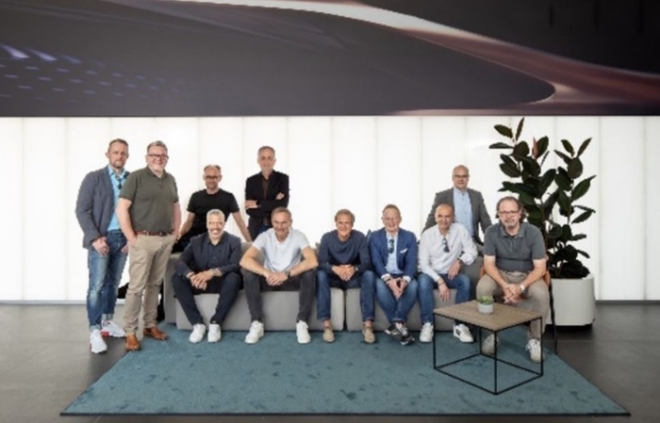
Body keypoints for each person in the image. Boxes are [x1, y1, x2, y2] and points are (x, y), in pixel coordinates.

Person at [116, 140, 181, 351]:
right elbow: (122, 208)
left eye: (162, 155)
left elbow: (175, 206)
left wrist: (175, 232)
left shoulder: (170, 180)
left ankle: (150, 325)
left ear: (167, 158)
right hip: (142, 240)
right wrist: (131, 237)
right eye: (154, 155)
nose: (158, 158)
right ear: (147, 157)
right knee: (136, 287)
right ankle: (130, 331)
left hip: (165, 239)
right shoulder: (136, 178)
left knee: (154, 285)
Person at [476, 196, 549, 363]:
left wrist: (520, 287)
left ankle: (534, 339)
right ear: (498, 214)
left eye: (512, 212)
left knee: (541, 294)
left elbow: (540, 268)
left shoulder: (533, 232)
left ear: (520, 213)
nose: (508, 216)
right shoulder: (491, 232)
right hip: (500, 274)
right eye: (503, 212)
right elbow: (489, 264)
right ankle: (491, 334)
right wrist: (505, 285)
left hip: (528, 276)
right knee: (482, 288)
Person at [75, 139, 130, 354]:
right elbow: (82, 210)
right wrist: (95, 238)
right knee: (96, 285)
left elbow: (137, 211)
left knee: (113, 284)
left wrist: (131, 239)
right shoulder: (94, 178)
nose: (119, 156)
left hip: (122, 239)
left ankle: (107, 322)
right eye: (115, 152)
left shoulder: (131, 179)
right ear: (108, 154)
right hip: (101, 238)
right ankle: (95, 330)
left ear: (127, 156)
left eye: (123, 153)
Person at [240, 207, 317, 344]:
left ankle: (302, 322)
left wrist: (286, 274)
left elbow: (312, 261)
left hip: (290, 279)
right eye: (276, 222)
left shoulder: (299, 236)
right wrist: (267, 273)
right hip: (269, 280)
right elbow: (244, 260)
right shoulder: (265, 236)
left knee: (309, 274)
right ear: (272, 222)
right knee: (249, 275)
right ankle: (257, 323)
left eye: (284, 222)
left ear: (290, 222)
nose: (280, 226)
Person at [172, 209, 242, 343]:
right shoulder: (196, 241)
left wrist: (212, 273)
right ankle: (197, 324)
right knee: (176, 278)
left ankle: (216, 322)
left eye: (219, 223)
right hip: (200, 283)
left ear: (224, 224)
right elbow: (180, 262)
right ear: (207, 224)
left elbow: (235, 265)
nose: (215, 227)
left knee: (234, 278)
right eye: (212, 223)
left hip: (223, 284)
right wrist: (192, 276)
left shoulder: (234, 241)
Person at [418, 204, 478, 343]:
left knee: (465, 281)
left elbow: (472, 251)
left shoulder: (460, 230)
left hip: (450, 274)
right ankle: (427, 324)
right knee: (423, 282)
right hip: (431, 274)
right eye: (440, 216)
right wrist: (439, 281)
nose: (443, 220)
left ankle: (459, 325)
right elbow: (424, 265)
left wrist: (459, 261)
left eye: (447, 216)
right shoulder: (427, 235)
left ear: (453, 217)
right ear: (435, 217)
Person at [317, 209, 376, 343]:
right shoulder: (327, 238)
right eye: (340, 223)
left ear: (352, 225)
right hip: (333, 278)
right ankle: (327, 326)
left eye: (347, 223)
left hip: (352, 278)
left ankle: (368, 326)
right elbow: (321, 264)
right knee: (320, 275)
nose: (343, 226)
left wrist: (353, 269)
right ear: (336, 223)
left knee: (369, 275)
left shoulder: (359, 237)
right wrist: (335, 268)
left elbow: (367, 263)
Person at [369, 204, 418, 346]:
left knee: (414, 284)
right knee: (379, 284)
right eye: (387, 218)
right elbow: (376, 261)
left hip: (402, 273)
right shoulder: (375, 237)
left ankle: (396, 324)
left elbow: (411, 262)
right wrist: (388, 280)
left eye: (394, 218)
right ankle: (399, 325)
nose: (391, 222)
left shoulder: (409, 236)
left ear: (400, 219)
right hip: (384, 274)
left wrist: (405, 280)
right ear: (382, 220)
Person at [174, 164, 251, 252]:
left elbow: (240, 223)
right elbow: (188, 222)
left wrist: (251, 243)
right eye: (208, 177)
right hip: (192, 238)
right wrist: (178, 236)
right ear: (204, 178)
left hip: (213, 237)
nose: (211, 180)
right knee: (169, 248)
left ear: (220, 178)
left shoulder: (228, 197)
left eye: (214, 177)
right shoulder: (196, 196)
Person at [423, 165, 492, 248]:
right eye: (457, 176)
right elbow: (432, 219)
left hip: (472, 241)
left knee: (485, 255)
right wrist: (422, 240)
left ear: (468, 178)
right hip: (449, 242)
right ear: (453, 178)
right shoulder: (442, 196)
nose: (461, 179)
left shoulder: (476, 196)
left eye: (464, 176)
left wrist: (494, 240)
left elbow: (485, 221)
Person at [244, 146, 289, 240]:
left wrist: (257, 204)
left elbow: (282, 205)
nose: (266, 161)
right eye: (263, 158)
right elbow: (249, 210)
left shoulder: (282, 179)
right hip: (255, 229)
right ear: (258, 160)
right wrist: (273, 203)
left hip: (276, 227)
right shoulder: (251, 181)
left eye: (269, 158)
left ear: (274, 161)